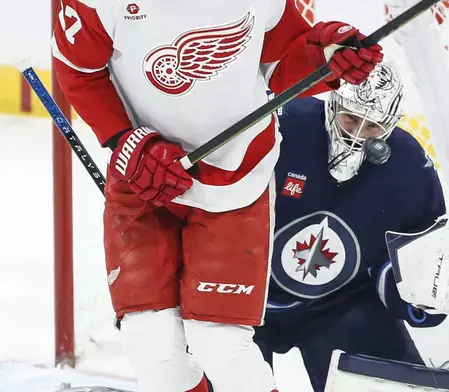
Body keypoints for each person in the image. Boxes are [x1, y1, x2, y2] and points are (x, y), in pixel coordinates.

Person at [51, 1, 384, 391]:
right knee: (154, 351)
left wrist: (324, 58)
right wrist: (125, 140)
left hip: (236, 176)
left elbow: (281, 63)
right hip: (143, 179)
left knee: (222, 347)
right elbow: (78, 69)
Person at [254, 62, 448, 392]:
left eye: (372, 126)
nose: (357, 134)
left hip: (338, 304)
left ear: (390, 124)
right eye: (351, 119)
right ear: (333, 103)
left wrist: (433, 291)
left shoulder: (408, 166)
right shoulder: (280, 125)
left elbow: (422, 254)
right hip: (240, 296)